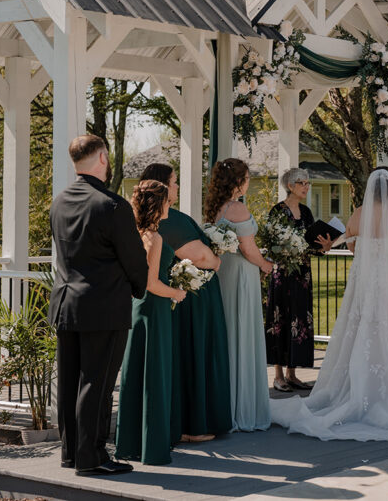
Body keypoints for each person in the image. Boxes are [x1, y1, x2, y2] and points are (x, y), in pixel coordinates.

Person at [270, 167, 388, 440]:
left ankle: (365, 384)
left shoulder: (358, 214)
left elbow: (355, 249)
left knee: (368, 330)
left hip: (368, 284)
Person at [49, 134, 147, 476]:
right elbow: (134, 260)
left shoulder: (59, 201)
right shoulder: (113, 206)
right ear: (103, 157)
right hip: (103, 307)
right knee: (97, 384)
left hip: (65, 304)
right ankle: (92, 458)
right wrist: (138, 288)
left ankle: (71, 453)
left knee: (70, 382)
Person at [139, 163, 229, 443]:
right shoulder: (171, 220)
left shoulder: (147, 218)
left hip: (178, 298)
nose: (177, 187)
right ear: (163, 186)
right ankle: (194, 424)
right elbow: (200, 257)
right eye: (175, 182)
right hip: (191, 302)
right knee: (194, 354)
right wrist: (217, 260)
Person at [115, 180, 187, 465]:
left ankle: (132, 443)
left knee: (137, 375)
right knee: (154, 375)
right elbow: (150, 283)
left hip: (138, 309)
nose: (171, 205)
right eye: (168, 201)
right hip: (153, 309)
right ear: (158, 205)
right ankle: (152, 447)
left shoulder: (136, 233)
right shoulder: (154, 238)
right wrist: (177, 293)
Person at [204, 158, 274, 432]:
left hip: (224, 273)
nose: (248, 182)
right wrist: (266, 265)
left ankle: (226, 400)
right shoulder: (237, 208)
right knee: (242, 331)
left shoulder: (215, 208)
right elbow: (249, 249)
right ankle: (243, 406)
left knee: (228, 332)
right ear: (238, 182)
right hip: (242, 274)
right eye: (246, 178)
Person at [266, 168, 333, 392]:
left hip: (302, 275)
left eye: (307, 182)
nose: (306, 186)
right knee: (280, 322)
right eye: (301, 182)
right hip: (282, 275)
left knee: (300, 321)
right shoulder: (277, 211)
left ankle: (293, 374)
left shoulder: (306, 212)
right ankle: (277, 376)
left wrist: (324, 247)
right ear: (290, 186)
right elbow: (273, 246)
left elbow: (311, 245)